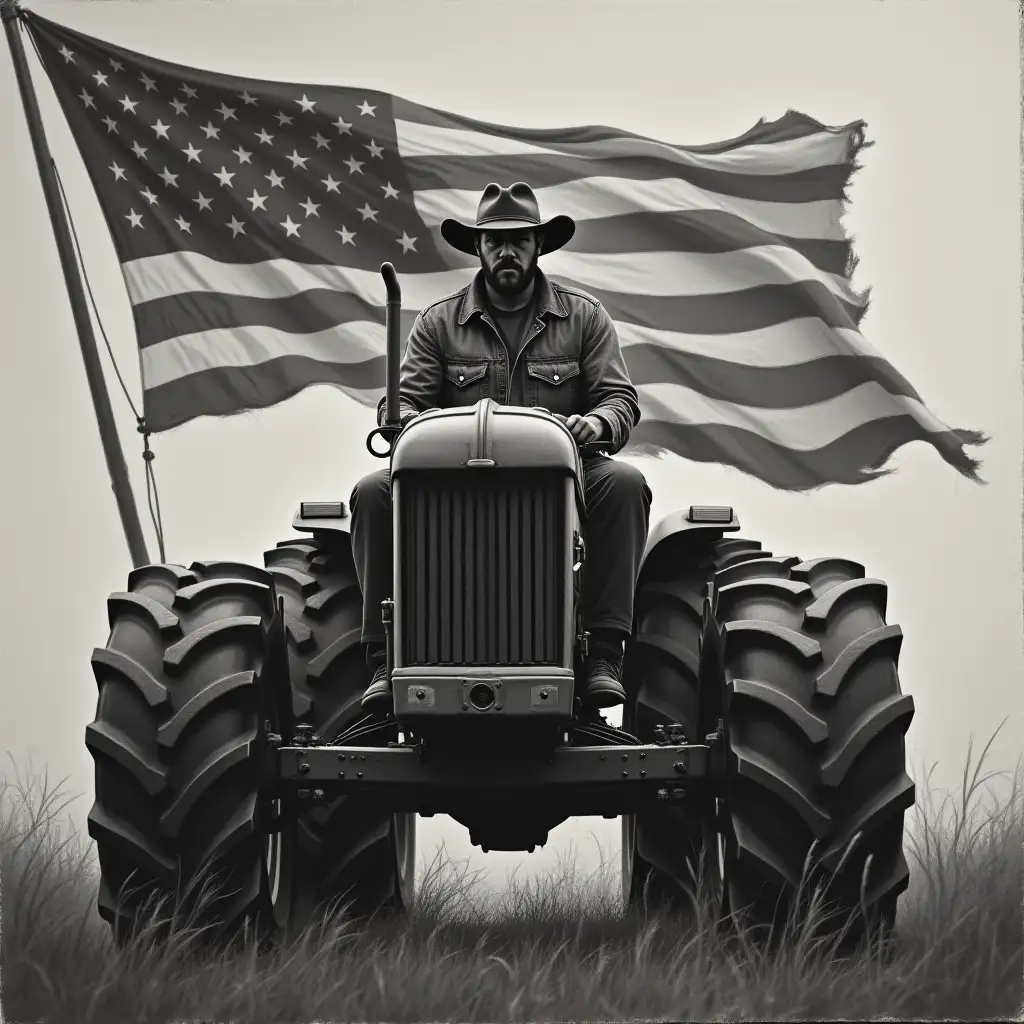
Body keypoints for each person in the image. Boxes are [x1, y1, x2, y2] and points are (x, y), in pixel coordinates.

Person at [350, 181, 652, 712]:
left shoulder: (583, 318)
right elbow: (400, 408)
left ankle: (604, 650)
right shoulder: (437, 323)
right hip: (455, 479)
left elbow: (619, 399)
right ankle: (383, 656)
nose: (507, 251)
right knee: (373, 491)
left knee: (625, 484)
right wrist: (410, 426)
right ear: (478, 249)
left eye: (519, 240)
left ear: (538, 246)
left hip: (569, 478)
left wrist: (595, 425)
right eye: (495, 242)